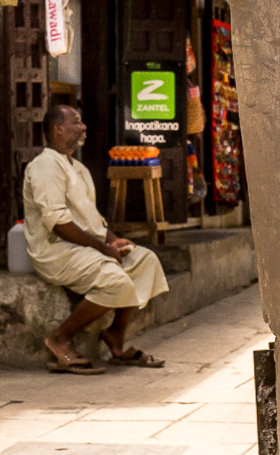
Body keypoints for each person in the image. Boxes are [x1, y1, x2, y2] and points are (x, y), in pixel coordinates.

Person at [24, 104, 169, 373]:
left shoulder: (76, 167)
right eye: (76, 122)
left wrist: (113, 241)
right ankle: (59, 339)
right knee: (114, 280)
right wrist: (103, 249)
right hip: (56, 250)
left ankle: (115, 336)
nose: (83, 127)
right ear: (58, 129)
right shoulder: (45, 165)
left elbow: (93, 220)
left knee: (145, 260)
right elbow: (58, 224)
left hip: (85, 246)